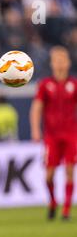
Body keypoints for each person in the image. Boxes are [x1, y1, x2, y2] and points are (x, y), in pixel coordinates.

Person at [30, 46, 77, 221]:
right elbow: (36, 108)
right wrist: (36, 129)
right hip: (52, 135)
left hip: (71, 133)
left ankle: (66, 211)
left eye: (63, 59)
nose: (60, 63)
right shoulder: (45, 85)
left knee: (70, 171)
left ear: (68, 62)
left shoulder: (74, 84)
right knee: (49, 175)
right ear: (52, 63)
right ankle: (52, 202)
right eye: (56, 60)